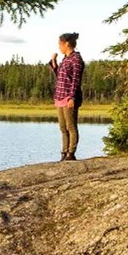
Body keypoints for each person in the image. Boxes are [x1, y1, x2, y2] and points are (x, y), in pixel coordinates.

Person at [49, 32, 85, 161]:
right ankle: (64, 153)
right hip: (60, 96)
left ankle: (71, 153)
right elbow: (60, 75)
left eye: (60, 44)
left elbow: (75, 80)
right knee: (63, 128)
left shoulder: (76, 59)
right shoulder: (65, 59)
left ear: (67, 44)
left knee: (71, 127)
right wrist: (54, 61)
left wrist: (72, 97)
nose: (59, 47)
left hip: (69, 98)